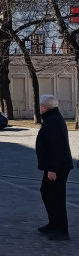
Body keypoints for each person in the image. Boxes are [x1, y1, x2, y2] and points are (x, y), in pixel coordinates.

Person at [36, 94, 73, 241]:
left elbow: (57, 147)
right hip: (54, 165)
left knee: (56, 197)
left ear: (44, 107)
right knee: (46, 192)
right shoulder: (52, 119)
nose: (39, 108)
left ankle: (61, 229)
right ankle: (53, 224)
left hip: (57, 166)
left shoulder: (53, 121)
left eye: (40, 105)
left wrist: (52, 168)